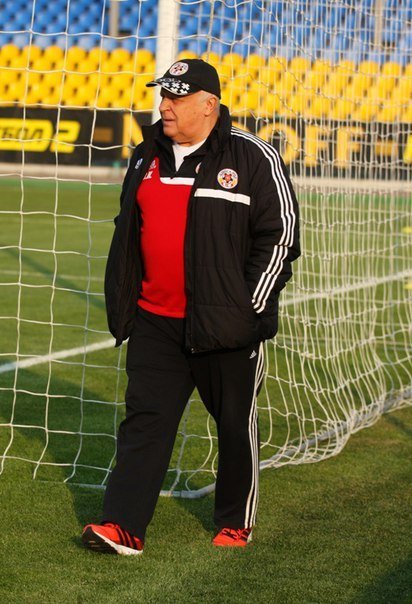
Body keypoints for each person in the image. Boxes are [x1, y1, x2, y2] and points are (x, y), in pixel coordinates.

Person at [82, 59, 300, 555]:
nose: (165, 106)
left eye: (176, 98)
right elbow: (128, 232)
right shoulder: (146, 154)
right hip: (155, 320)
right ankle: (123, 525)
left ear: (208, 105)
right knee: (144, 423)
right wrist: (126, 299)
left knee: (234, 425)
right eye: (163, 95)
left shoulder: (252, 156)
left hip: (226, 324)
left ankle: (235, 520)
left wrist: (247, 308)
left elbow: (281, 235)